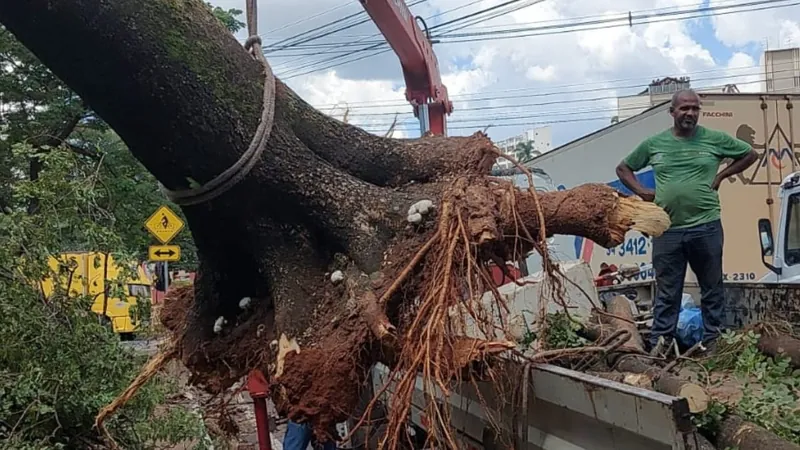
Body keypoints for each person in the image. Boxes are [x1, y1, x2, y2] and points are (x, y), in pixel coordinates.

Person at [615, 89, 758, 354]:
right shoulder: (654, 144)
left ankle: (715, 343)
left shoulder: (714, 139)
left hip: (706, 226)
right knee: (668, 291)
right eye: (684, 108)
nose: (690, 113)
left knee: (712, 288)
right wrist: (643, 192)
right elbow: (624, 168)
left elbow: (749, 155)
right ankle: (662, 344)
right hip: (667, 229)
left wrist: (721, 176)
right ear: (672, 112)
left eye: (694, 108)